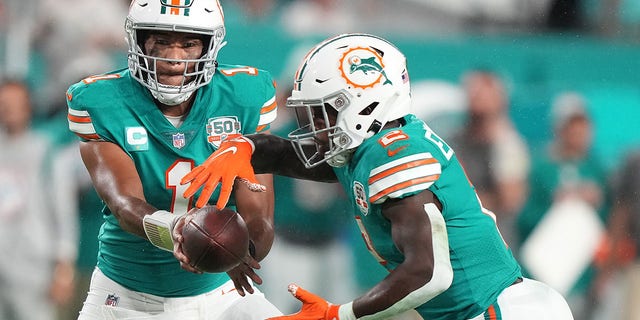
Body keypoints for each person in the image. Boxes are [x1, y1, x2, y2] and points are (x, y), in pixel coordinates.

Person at [179, 33, 574, 319]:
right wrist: (244, 147)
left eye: (324, 112)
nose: (315, 127)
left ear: (365, 104)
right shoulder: (375, 146)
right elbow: (293, 158)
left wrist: (340, 314)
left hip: (495, 310)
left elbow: (428, 273)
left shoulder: (392, 155)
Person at [65, 0, 282, 319]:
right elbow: (123, 203)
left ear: (210, 46)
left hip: (222, 293)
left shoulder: (241, 98)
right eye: (161, 42)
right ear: (138, 41)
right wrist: (177, 229)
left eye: (189, 43)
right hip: (125, 298)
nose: (173, 58)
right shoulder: (102, 101)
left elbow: (259, 216)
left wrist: (236, 253)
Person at [515, 92, 610, 319]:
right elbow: (524, 218)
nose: (578, 133)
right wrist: (554, 204)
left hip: (584, 275)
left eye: (582, 126)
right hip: (546, 272)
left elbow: (610, 222)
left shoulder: (596, 170)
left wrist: (594, 203)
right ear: (558, 128)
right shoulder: (541, 168)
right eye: (571, 126)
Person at [0, 79, 76, 320]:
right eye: (4, 104)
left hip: (34, 269)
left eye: (15, 103)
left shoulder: (46, 151)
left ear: (28, 107)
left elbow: (63, 211)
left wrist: (64, 268)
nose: (9, 109)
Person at [448, 69, 530, 248]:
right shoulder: (455, 140)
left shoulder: (507, 143)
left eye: (483, 92)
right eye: (473, 91)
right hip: (460, 240)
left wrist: (462, 202)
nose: (476, 97)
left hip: (497, 241)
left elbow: (510, 199)